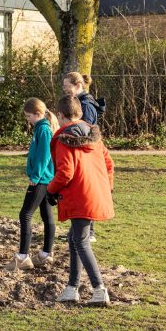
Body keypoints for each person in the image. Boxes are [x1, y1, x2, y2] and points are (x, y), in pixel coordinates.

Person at [48, 95, 114, 306]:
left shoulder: (64, 139)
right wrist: (105, 188)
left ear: (59, 115)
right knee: (74, 238)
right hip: (94, 193)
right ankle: (72, 288)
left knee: (81, 241)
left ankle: (99, 289)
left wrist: (50, 190)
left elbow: (65, 172)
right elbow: (109, 164)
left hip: (80, 196)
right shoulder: (93, 135)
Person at [5, 98, 59, 271]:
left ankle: (22, 257)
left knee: (25, 214)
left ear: (38, 113)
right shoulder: (40, 128)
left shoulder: (43, 130)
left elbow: (44, 156)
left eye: (29, 116)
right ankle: (45, 254)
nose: (27, 119)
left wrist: (35, 176)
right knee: (46, 214)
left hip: (42, 179)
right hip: (44, 178)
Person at [62, 71, 105, 243]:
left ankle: (89, 232)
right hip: (81, 152)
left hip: (86, 153)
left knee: (86, 190)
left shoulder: (86, 106)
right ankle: (77, 231)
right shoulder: (79, 102)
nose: (65, 90)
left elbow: (84, 131)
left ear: (78, 85)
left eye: (67, 86)